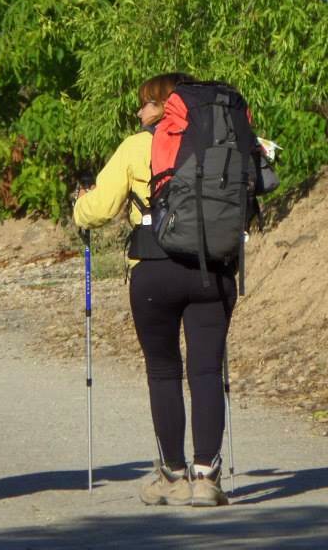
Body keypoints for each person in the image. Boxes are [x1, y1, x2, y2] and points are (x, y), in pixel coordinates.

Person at [73, 72, 235, 508]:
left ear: (166, 106)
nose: (140, 110)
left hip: (154, 268)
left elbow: (100, 209)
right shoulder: (221, 140)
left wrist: (79, 206)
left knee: (164, 371)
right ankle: (207, 478)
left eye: (147, 102)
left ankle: (173, 476)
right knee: (206, 371)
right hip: (212, 269)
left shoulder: (135, 146)